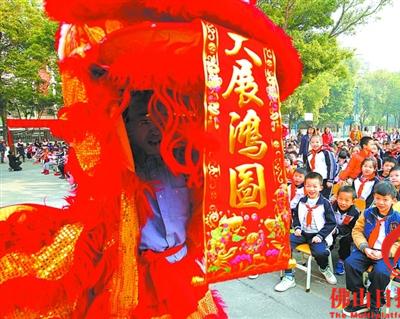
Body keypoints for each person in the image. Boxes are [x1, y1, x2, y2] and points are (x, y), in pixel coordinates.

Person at [0, 0, 302, 317]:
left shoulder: (190, 168)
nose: (155, 129)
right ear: (124, 128)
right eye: (143, 121)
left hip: (186, 275)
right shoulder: (117, 183)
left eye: (161, 118)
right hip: (136, 280)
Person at [343, 182, 400, 318]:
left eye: (385, 200)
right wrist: (364, 247)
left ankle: (375, 304)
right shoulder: (367, 213)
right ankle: (359, 298)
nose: (381, 203)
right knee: (350, 263)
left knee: (381, 272)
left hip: (386, 253)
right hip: (367, 249)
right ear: (374, 197)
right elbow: (357, 231)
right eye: (378, 198)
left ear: (393, 200)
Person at [274, 172, 337, 292]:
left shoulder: (325, 204)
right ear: (305, 186)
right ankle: (289, 276)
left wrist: (320, 235)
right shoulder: (302, 201)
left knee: (321, 253)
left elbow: (331, 223)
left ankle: (324, 268)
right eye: (308, 186)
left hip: (318, 235)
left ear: (320, 187)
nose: (311, 189)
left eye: (315, 186)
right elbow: (296, 216)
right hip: (303, 233)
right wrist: (297, 227)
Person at [331, 186, 359, 276]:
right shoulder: (331, 207)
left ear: (353, 201)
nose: (343, 203)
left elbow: (353, 228)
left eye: (347, 200)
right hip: (332, 228)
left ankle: (342, 260)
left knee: (345, 241)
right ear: (336, 198)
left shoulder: (354, 213)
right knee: (328, 237)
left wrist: (338, 230)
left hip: (348, 230)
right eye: (340, 199)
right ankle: (327, 253)